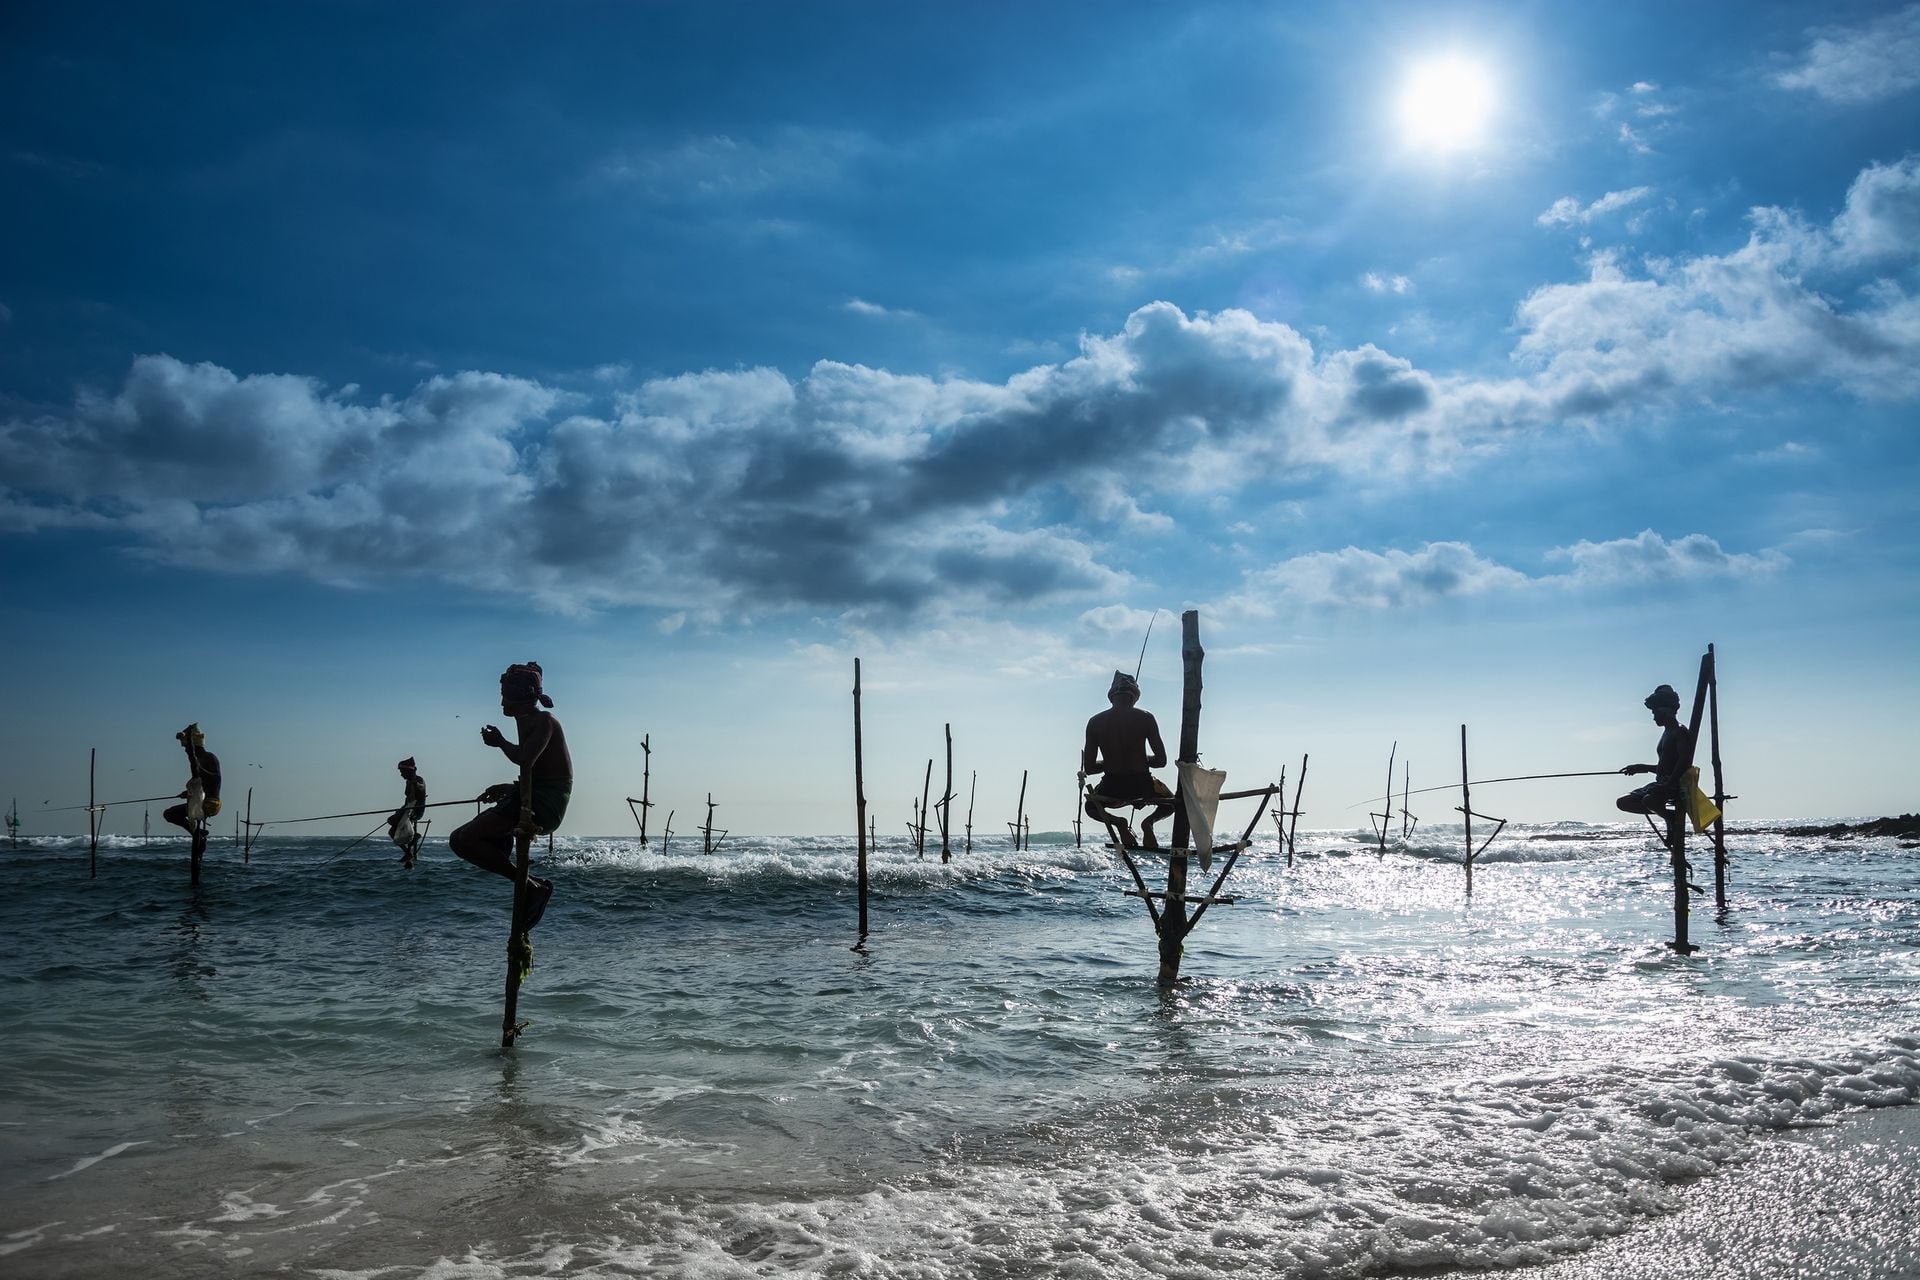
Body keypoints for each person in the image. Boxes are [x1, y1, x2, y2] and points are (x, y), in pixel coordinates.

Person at [449, 662, 570, 928]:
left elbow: (526, 759)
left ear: (519, 697)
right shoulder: (526, 721)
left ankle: (532, 887)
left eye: (505, 694)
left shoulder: (544, 721)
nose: (501, 701)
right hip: (532, 794)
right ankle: (528, 884)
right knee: (459, 839)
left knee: (464, 839)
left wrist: (500, 742)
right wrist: (509, 789)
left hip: (547, 804)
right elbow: (535, 772)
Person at [1081, 670, 1177, 849]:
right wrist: (1140, 759)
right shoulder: (1146, 718)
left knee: (1091, 807)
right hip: (1143, 785)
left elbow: (1091, 767)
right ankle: (1149, 823)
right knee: (1171, 803)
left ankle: (1119, 823)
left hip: (1112, 786)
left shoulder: (1095, 722)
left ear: (1112, 697)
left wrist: (1111, 761)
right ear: (1134, 696)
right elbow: (1161, 761)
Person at [1617, 683, 1688, 815]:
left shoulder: (1679, 731)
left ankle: (1671, 818)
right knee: (1623, 802)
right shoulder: (1666, 732)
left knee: (1650, 800)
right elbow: (1665, 767)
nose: (1654, 717)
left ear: (1665, 710)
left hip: (1674, 785)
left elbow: (1684, 761)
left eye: (1655, 712)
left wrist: (1669, 784)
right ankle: (1669, 815)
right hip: (1661, 782)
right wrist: (1641, 767)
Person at [162, 723, 222, 858]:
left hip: (210, 804)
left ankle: (197, 835)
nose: (185, 750)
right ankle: (197, 833)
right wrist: (188, 793)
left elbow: (214, 779)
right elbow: (199, 782)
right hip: (199, 801)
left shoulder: (209, 757)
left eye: (187, 747)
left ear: (193, 746)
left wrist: (195, 765)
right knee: (169, 814)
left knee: (170, 814)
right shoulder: (198, 760)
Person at [388, 757, 427, 868]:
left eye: (402, 772)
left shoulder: (419, 780)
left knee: (391, 821)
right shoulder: (408, 782)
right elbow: (407, 800)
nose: (401, 775)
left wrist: (415, 784)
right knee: (392, 832)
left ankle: (413, 839)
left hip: (415, 811)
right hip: (407, 809)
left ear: (408, 771)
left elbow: (421, 787)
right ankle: (408, 852)